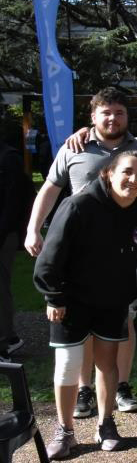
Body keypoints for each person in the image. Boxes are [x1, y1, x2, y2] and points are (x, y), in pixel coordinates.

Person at [27, 89, 137, 418]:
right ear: (93, 117)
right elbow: (50, 188)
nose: (112, 118)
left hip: (123, 252)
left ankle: (122, 386)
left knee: (123, 318)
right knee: (82, 323)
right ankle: (84, 389)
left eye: (119, 112)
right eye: (106, 112)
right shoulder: (75, 147)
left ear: (128, 117)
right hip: (79, 252)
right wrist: (33, 228)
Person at [32, 150, 137, 459]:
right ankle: (65, 430)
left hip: (113, 300)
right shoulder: (78, 205)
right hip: (70, 300)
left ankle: (106, 424)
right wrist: (54, 297)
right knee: (68, 365)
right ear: (109, 173)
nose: (134, 179)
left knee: (107, 364)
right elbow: (49, 258)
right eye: (127, 171)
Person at [0, 139, 31, 359]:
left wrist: (3, 232)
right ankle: (9, 338)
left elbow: (14, 201)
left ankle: (3, 346)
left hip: (4, 233)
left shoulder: (8, 158)